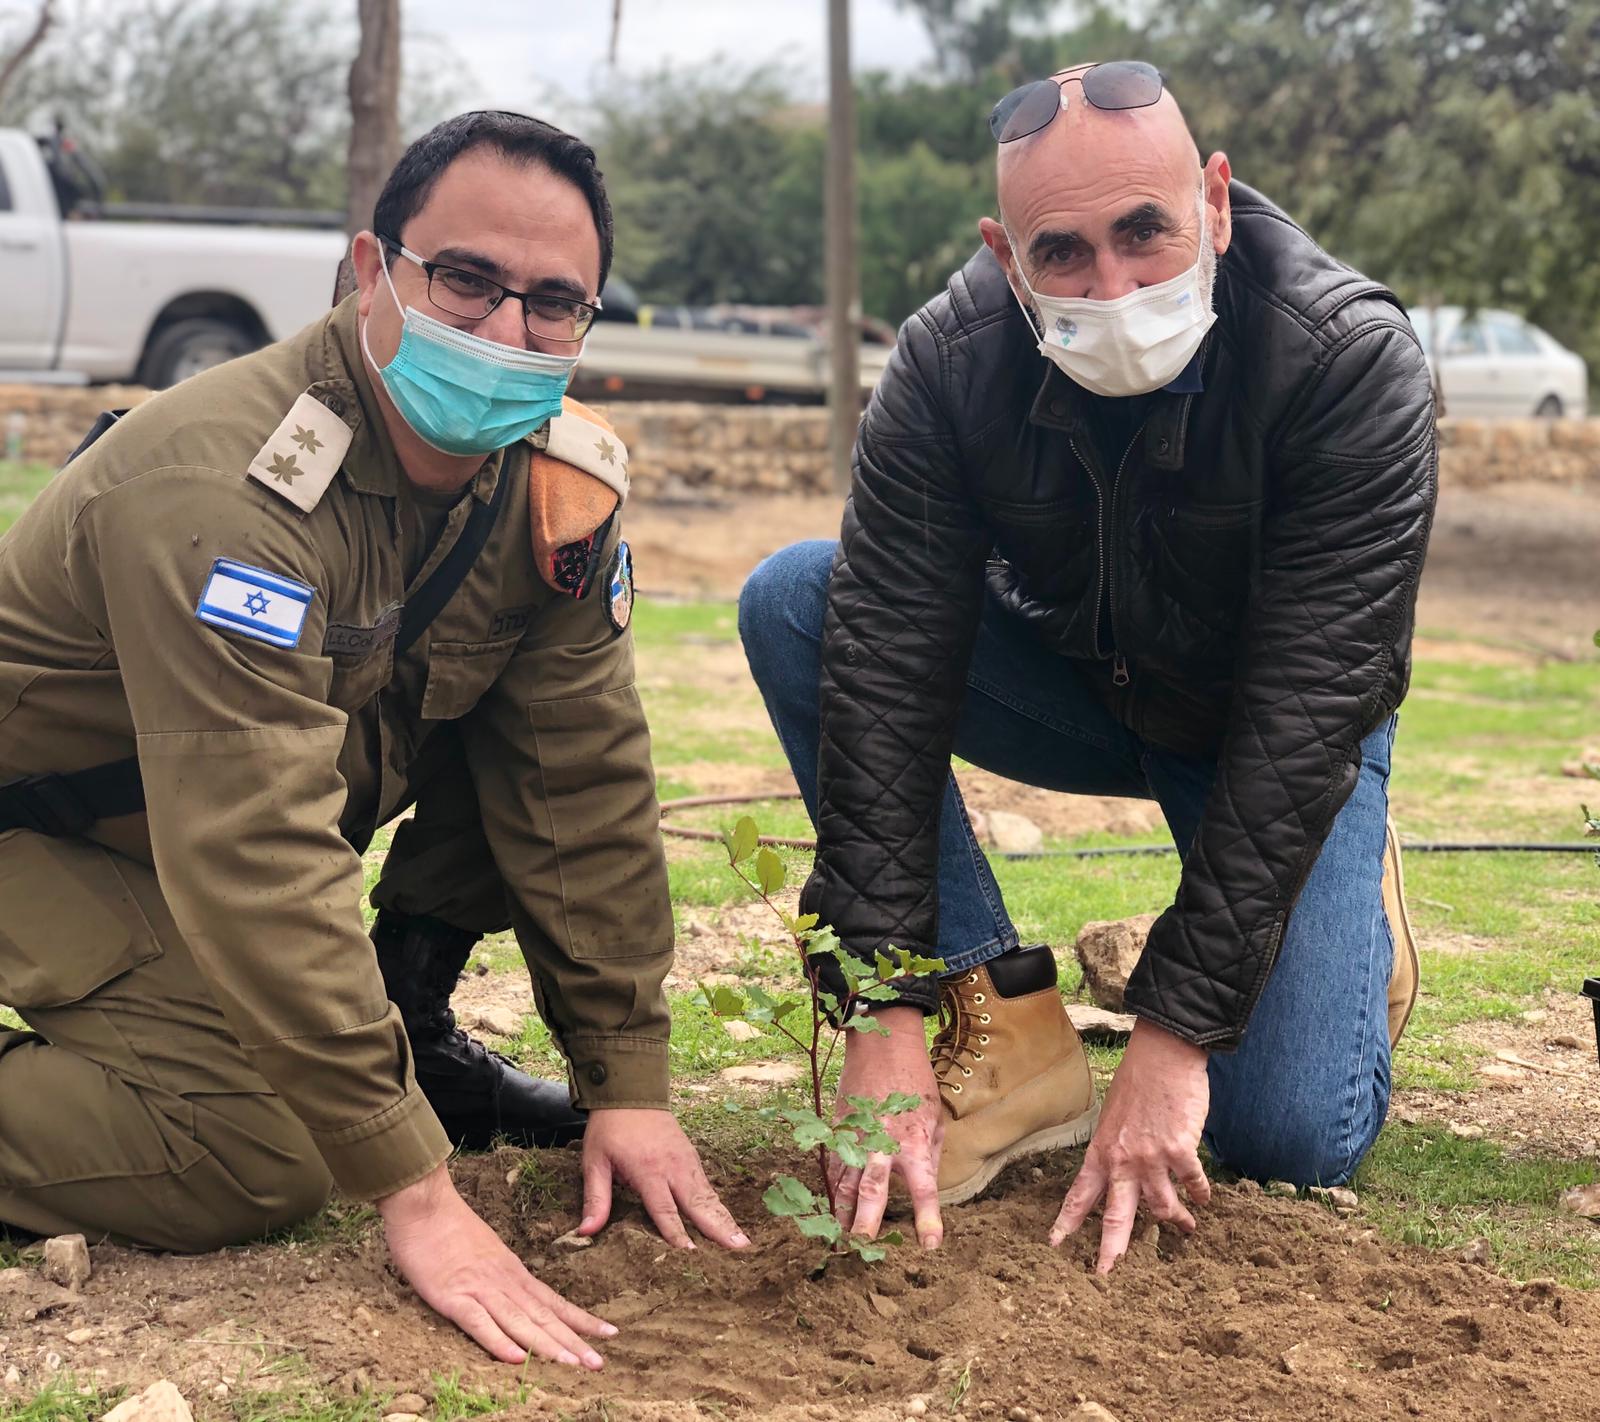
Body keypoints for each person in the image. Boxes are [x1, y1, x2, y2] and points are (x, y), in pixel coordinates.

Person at [0, 111, 746, 1368]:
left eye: (554, 303)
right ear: (369, 271)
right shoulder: (221, 486)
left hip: (189, 848)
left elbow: (585, 781)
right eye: (466, 281)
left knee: (518, 731)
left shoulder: (550, 494)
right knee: (258, 1153)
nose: (506, 332)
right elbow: (254, 847)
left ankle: (410, 1022)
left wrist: (630, 1081)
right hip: (50, 836)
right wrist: (411, 1187)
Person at [739, 61, 1434, 1272]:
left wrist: (1172, 1039)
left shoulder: (1345, 360)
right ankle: (1000, 1027)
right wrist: (885, 1002)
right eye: (1062, 253)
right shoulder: (947, 365)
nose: (1111, 286)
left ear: (1212, 203)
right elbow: (891, 662)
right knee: (802, 598)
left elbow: (1311, 700)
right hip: (1077, 683)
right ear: (1005, 256)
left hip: (1274, 729)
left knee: (1289, 1138)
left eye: (1145, 234)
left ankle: (1348, 887)